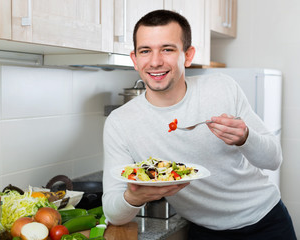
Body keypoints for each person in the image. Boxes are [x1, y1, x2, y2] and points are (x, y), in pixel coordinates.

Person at [102, 9, 297, 239]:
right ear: (135, 59)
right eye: (146, 51)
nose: (155, 61)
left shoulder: (222, 88)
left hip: (266, 221)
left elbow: (274, 160)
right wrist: (134, 198)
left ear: (188, 55)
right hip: (205, 232)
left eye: (167, 49)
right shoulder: (120, 122)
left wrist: (246, 137)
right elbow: (113, 213)